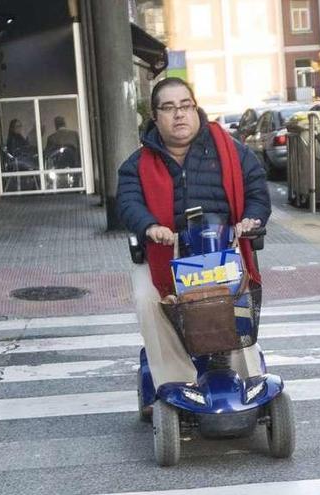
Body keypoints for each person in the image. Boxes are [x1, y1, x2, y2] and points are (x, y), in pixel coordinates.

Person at [116, 77, 271, 392]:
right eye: (169, 108)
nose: (179, 114)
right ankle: (176, 383)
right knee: (148, 300)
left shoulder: (229, 150)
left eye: (185, 106)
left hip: (222, 246)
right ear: (155, 117)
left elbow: (256, 188)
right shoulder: (138, 164)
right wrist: (149, 226)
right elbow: (128, 202)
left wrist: (250, 219)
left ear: (196, 108)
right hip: (167, 252)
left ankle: (248, 381)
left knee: (238, 297)